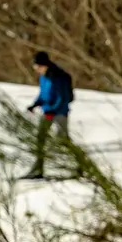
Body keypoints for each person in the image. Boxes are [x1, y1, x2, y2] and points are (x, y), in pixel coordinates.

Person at [23, 50, 75, 179]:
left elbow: (62, 97)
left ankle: (80, 166)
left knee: (63, 141)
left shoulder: (58, 76)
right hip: (48, 112)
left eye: (37, 66)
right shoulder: (44, 76)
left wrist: (53, 110)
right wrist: (35, 104)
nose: (35, 69)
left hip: (60, 113)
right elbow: (43, 94)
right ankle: (37, 170)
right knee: (40, 138)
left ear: (43, 64)